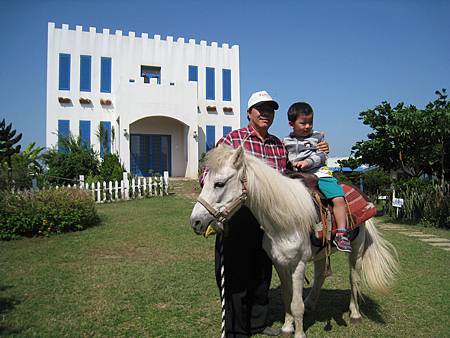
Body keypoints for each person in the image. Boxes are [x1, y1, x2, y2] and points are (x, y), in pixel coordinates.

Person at [200, 92, 329, 337]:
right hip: (238, 217)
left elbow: (288, 175)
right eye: (260, 109)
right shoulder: (232, 139)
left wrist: (319, 150)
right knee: (236, 273)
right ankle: (236, 329)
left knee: (261, 273)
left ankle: (258, 322)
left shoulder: (278, 145)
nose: (265, 113)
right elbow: (211, 174)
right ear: (249, 112)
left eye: (270, 110)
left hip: (269, 221)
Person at [283, 102, 352, 253]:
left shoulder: (317, 137)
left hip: (319, 172)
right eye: (303, 123)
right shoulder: (285, 142)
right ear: (291, 124)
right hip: (296, 174)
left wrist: (307, 162)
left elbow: (321, 156)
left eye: (310, 122)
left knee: (338, 198)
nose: (307, 126)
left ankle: (341, 233)